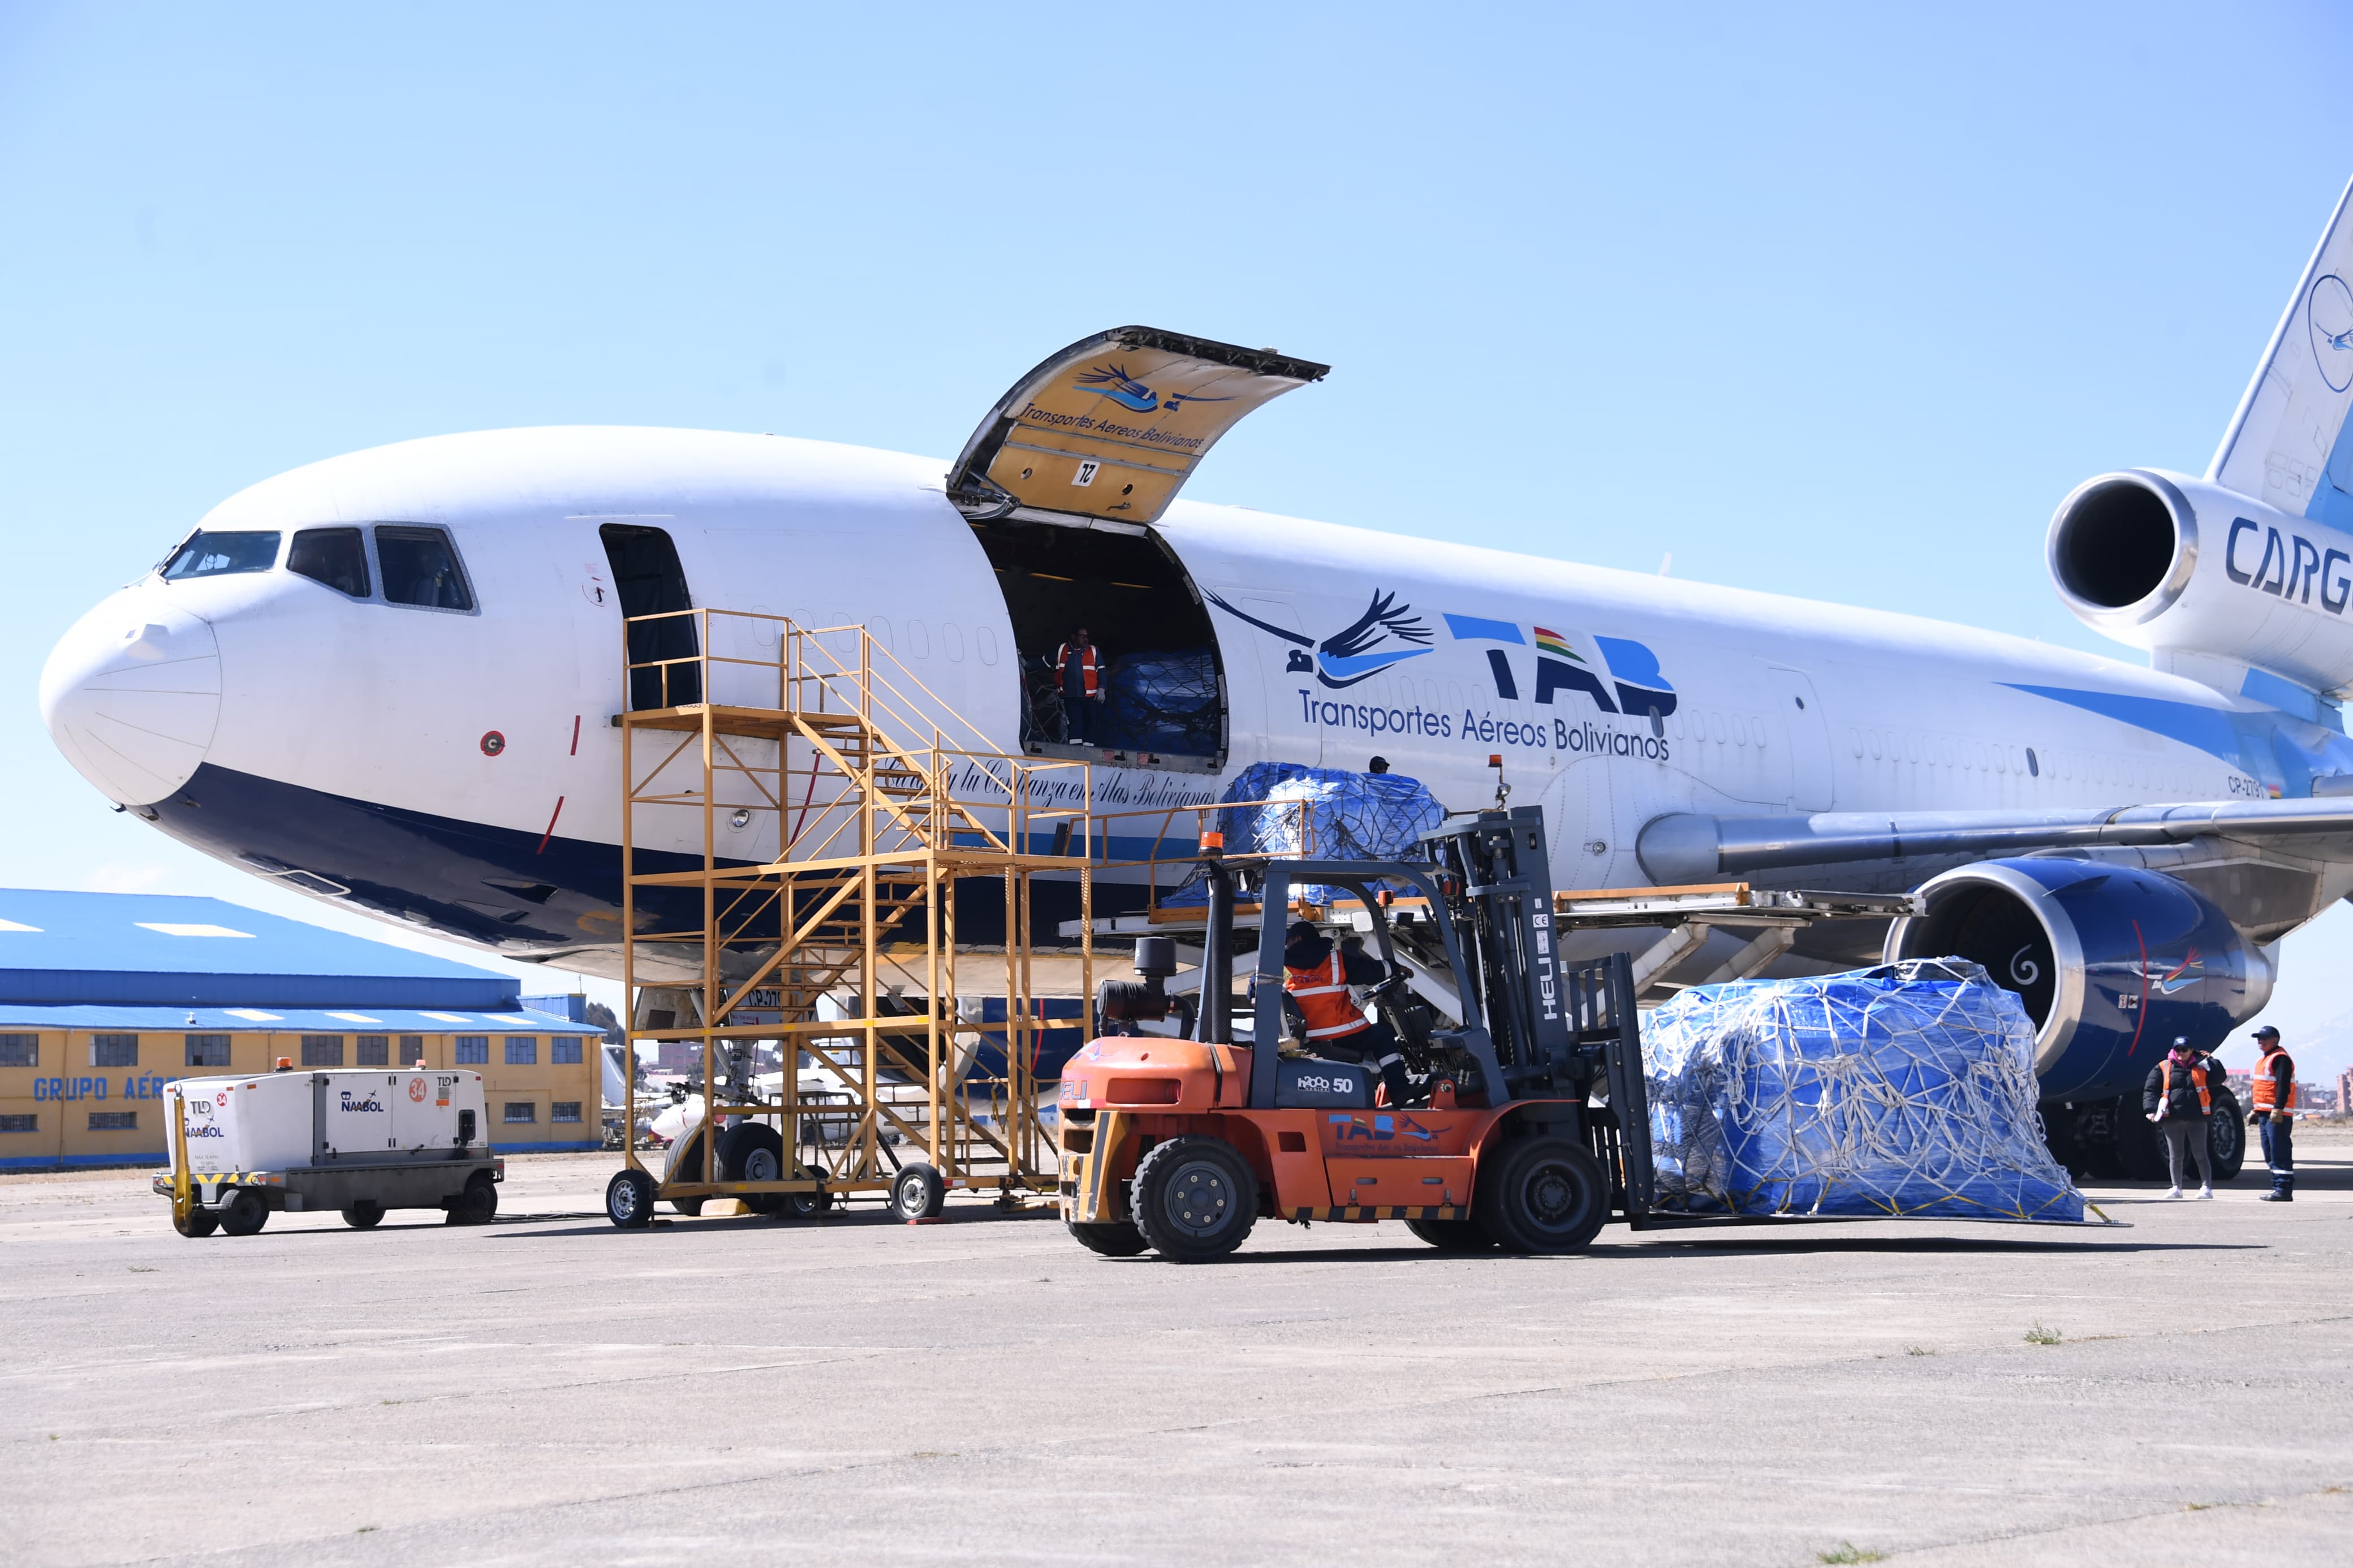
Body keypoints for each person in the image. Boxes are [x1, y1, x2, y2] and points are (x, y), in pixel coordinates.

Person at [1281, 919, 1415, 1107]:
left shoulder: (1283, 968)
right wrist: (1395, 968)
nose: (1287, 945)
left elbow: (1258, 989)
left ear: (1297, 939)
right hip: (1343, 1034)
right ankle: (1400, 1089)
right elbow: (1371, 972)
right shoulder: (1334, 962)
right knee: (1382, 1037)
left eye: (1288, 941)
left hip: (1308, 1037)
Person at [2143, 1035, 2216, 1200]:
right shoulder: (2163, 1066)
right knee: (2176, 1155)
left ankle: (2206, 1187)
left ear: (2191, 1051)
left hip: (2197, 1117)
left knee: (2200, 1153)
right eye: (2178, 1050)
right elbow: (2150, 1089)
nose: (2181, 1053)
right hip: (2172, 1118)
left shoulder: (2201, 1065)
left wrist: (2212, 1061)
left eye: (2184, 1050)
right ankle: (2176, 1187)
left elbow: (2218, 1078)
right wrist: (2150, 1110)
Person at [2248, 1024, 2296, 1202]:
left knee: (2279, 1152)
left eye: (2264, 1038)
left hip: (2276, 1115)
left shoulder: (2280, 1058)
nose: (2260, 1041)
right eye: (2259, 1039)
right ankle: (2278, 1187)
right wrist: (2256, 1110)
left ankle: (2283, 1189)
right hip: (2265, 1114)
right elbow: (2263, 1089)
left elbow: (2283, 1086)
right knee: (2270, 1153)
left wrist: (2278, 1108)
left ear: (2275, 1040)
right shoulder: (2263, 1060)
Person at [1055, 627, 1103, 746]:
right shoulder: (1063, 650)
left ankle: (1088, 748)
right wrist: (1027, 665)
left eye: (1087, 636)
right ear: (1074, 637)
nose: (1086, 639)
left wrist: (1102, 689)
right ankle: (1075, 749)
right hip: (1071, 695)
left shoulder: (1093, 651)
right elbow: (1045, 661)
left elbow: (1102, 671)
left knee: (1090, 722)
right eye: (1083, 636)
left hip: (1090, 696)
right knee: (1075, 722)